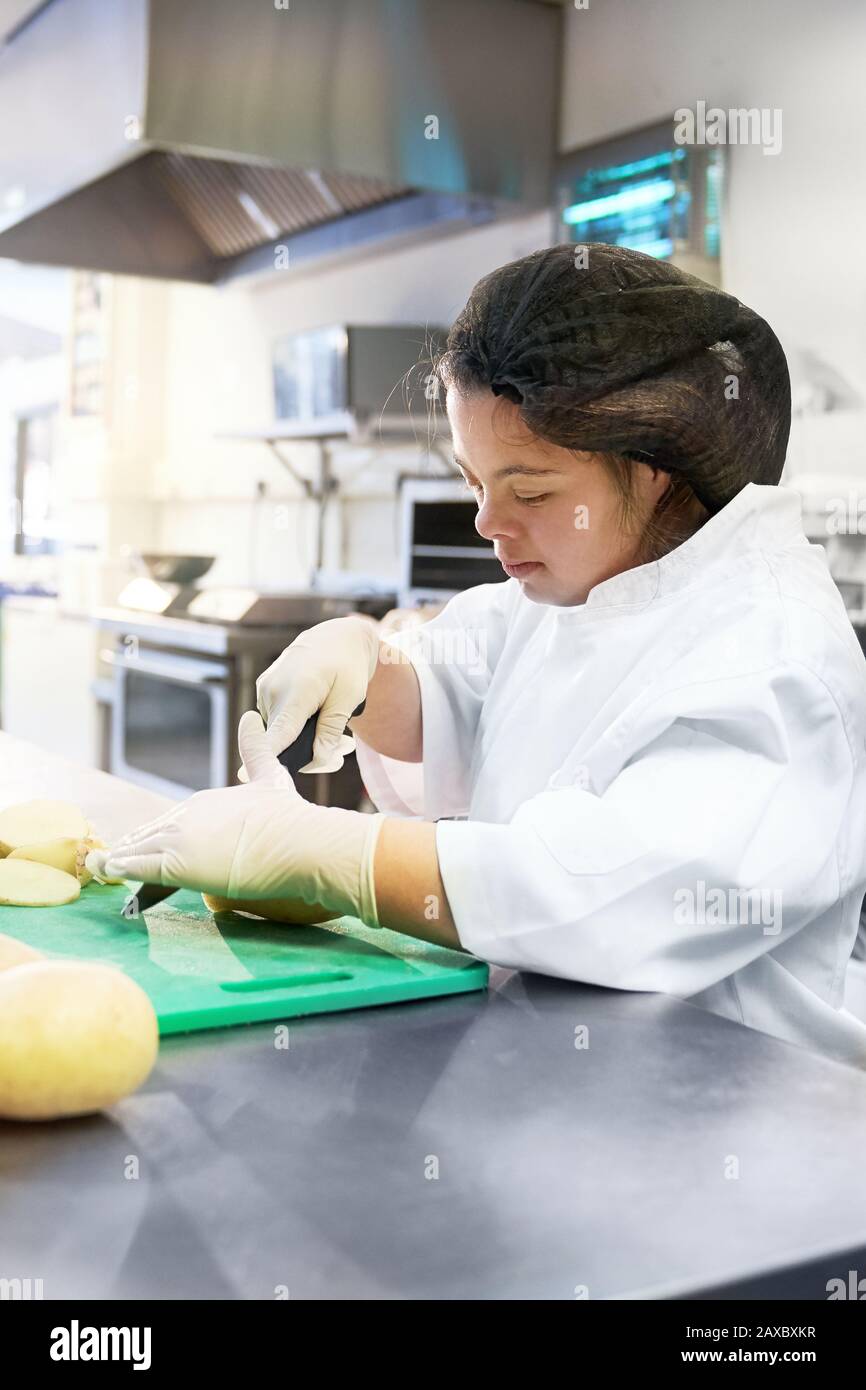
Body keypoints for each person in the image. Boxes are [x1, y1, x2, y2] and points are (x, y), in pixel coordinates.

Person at [95, 243, 866, 1069]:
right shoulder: (585, 582)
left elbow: (599, 894)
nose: (486, 523)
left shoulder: (775, 657)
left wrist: (329, 855)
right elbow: (455, 693)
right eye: (473, 482)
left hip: (720, 1096)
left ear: (653, 471)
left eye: (529, 490)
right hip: (543, 1062)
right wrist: (365, 669)